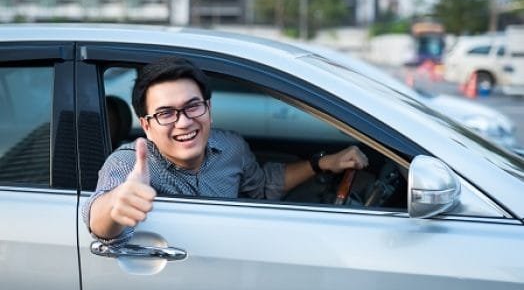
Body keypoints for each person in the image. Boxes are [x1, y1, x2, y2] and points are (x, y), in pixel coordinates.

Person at [83, 57, 368, 243]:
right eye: (166, 113)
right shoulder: (129, 164)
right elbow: (97, 220)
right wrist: (116, 205)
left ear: (208, 109)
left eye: (193, 106)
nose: (184, 122)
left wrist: (322, 163)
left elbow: (264, 186)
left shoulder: (231, 146)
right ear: (146, 125)